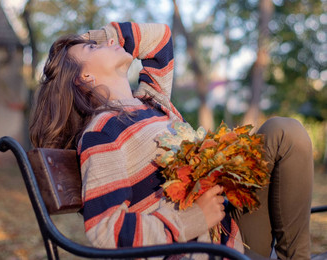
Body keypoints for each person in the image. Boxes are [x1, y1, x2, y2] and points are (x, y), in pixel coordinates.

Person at [30, 22, 313, 260]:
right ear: (85, 77)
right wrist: (192, 219)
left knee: (284, 132)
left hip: (232, 234)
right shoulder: (102, 133)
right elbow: (106, 231)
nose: (109, 43)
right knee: (284, 130)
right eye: (93, 49)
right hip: (201, 249)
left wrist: (95, 38)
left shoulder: (151, 100)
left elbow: (160, 39)